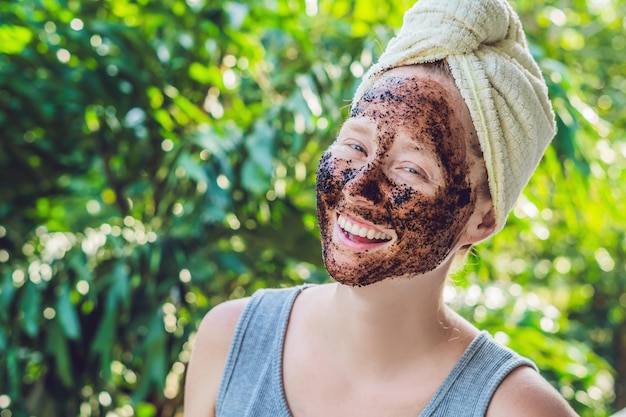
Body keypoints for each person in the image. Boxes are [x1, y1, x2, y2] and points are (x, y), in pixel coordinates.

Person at [184, 0, 580, 415]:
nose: (359, 185)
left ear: (482, 220)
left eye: (411, 170)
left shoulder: (516, 409)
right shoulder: (230, 341)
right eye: (355, 145)